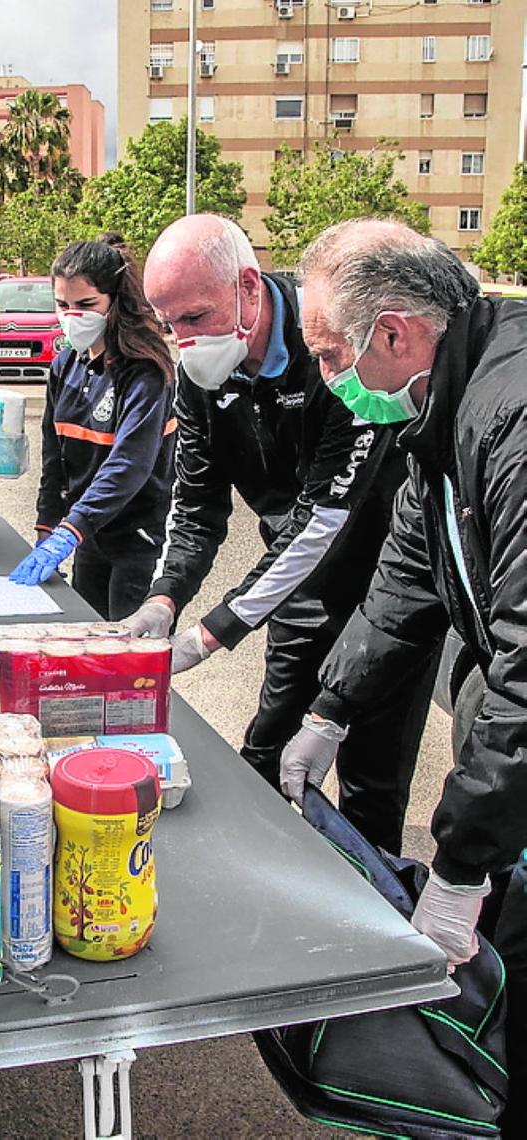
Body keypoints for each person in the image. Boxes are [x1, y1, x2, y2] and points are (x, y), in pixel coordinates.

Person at [278, 218, 527, 1132]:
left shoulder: (513, 416)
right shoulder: (444, 409)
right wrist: (331, 711)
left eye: (334, 356)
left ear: (395, 333)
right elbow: (406, 577)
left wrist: (461, 867)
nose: (331, 381)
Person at [131, 213, 435, 854]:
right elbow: (197, 503)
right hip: (293, 584)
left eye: (194, 318)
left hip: (390, 588)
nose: (183, 341)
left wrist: (209, 634)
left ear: (247, 289)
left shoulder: (332, 344)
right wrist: (164, 597)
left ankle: (375, 923)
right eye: (169, 324)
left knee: (371, 782)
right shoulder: (201, 372)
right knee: (268, 750)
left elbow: (324, 516)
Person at [9, 235, 176, 621]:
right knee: (84, 640)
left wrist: (71, 530)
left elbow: (129, 465)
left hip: (137, 540)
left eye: (86, 305)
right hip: (87, 536)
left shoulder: (146, 371)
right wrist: (48, 527)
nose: (72, 316)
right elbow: (55, 461)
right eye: (62, 305)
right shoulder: (64, 367)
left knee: (129, 654)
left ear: (114, 302)